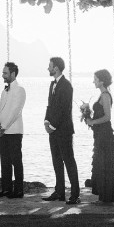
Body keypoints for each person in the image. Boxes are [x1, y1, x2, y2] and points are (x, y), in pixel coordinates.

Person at [44, 55, 79, 202]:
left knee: (68, 161)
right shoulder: (52, 85)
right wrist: (46, 121)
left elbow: (64, 109)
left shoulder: (67, 85)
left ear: (56, 68)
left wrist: (52, 126)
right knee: (56, 161)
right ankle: (59, 192)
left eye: (50, 65)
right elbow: (50, 106)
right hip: (53, 130)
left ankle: (75, 194)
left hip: (64, 130)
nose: (48, 68)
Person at [86, 69, 114, 202]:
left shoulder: (105, 95)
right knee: (101, 162)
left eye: (95, 78)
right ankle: (104, 195)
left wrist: (92, 121)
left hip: (105, 134)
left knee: (104, 162)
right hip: (100, 133)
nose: (93, 81)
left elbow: (107, 117)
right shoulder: (102, 95)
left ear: (101, 80)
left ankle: (106, 196)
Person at [0, 61, 25, 199]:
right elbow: (0, 108)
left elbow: (15, 111)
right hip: (3, 131)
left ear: (12, 74)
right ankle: (6, 189)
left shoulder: (20, 90)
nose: (3, 75)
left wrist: (4, 127)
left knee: (16, 161)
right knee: (4, 161)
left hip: (14, 131)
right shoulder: (4, 91)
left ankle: (18, 190)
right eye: (2, 73)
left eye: (5, 73)